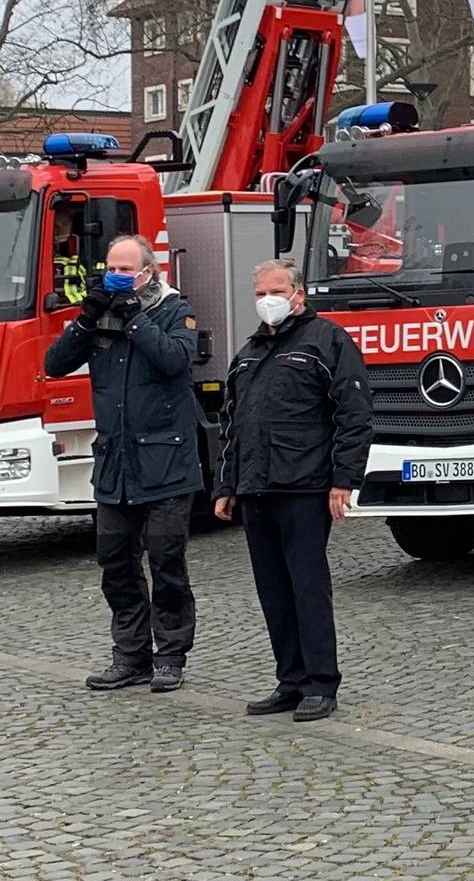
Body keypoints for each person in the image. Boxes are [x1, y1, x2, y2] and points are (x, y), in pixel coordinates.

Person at [213, 258, 373, 723]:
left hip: (305, 486)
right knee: (273, 590)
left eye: (276, 291)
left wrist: (344, 479)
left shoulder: (327, 340)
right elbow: (232, 426)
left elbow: (354, 412)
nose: (269, 300)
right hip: (256, 488)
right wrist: (227, 485)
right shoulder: (248, 354)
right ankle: (290, 679)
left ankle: (322, 683)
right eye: (261, 293)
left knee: (307, 587)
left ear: (299, 294)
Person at [44, 235, 202, 694]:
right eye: (112, 267)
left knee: (167, 560)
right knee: (115, 562)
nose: (118, 274)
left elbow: (175, 360)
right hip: (115, 461)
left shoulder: (173, 309)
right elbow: (55, 363)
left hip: (166, 460)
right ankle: (130, 655)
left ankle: (170, 655)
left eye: (127, 268)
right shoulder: (99, 314)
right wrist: (86, 318)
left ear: (148, 272)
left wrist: (134, 318)